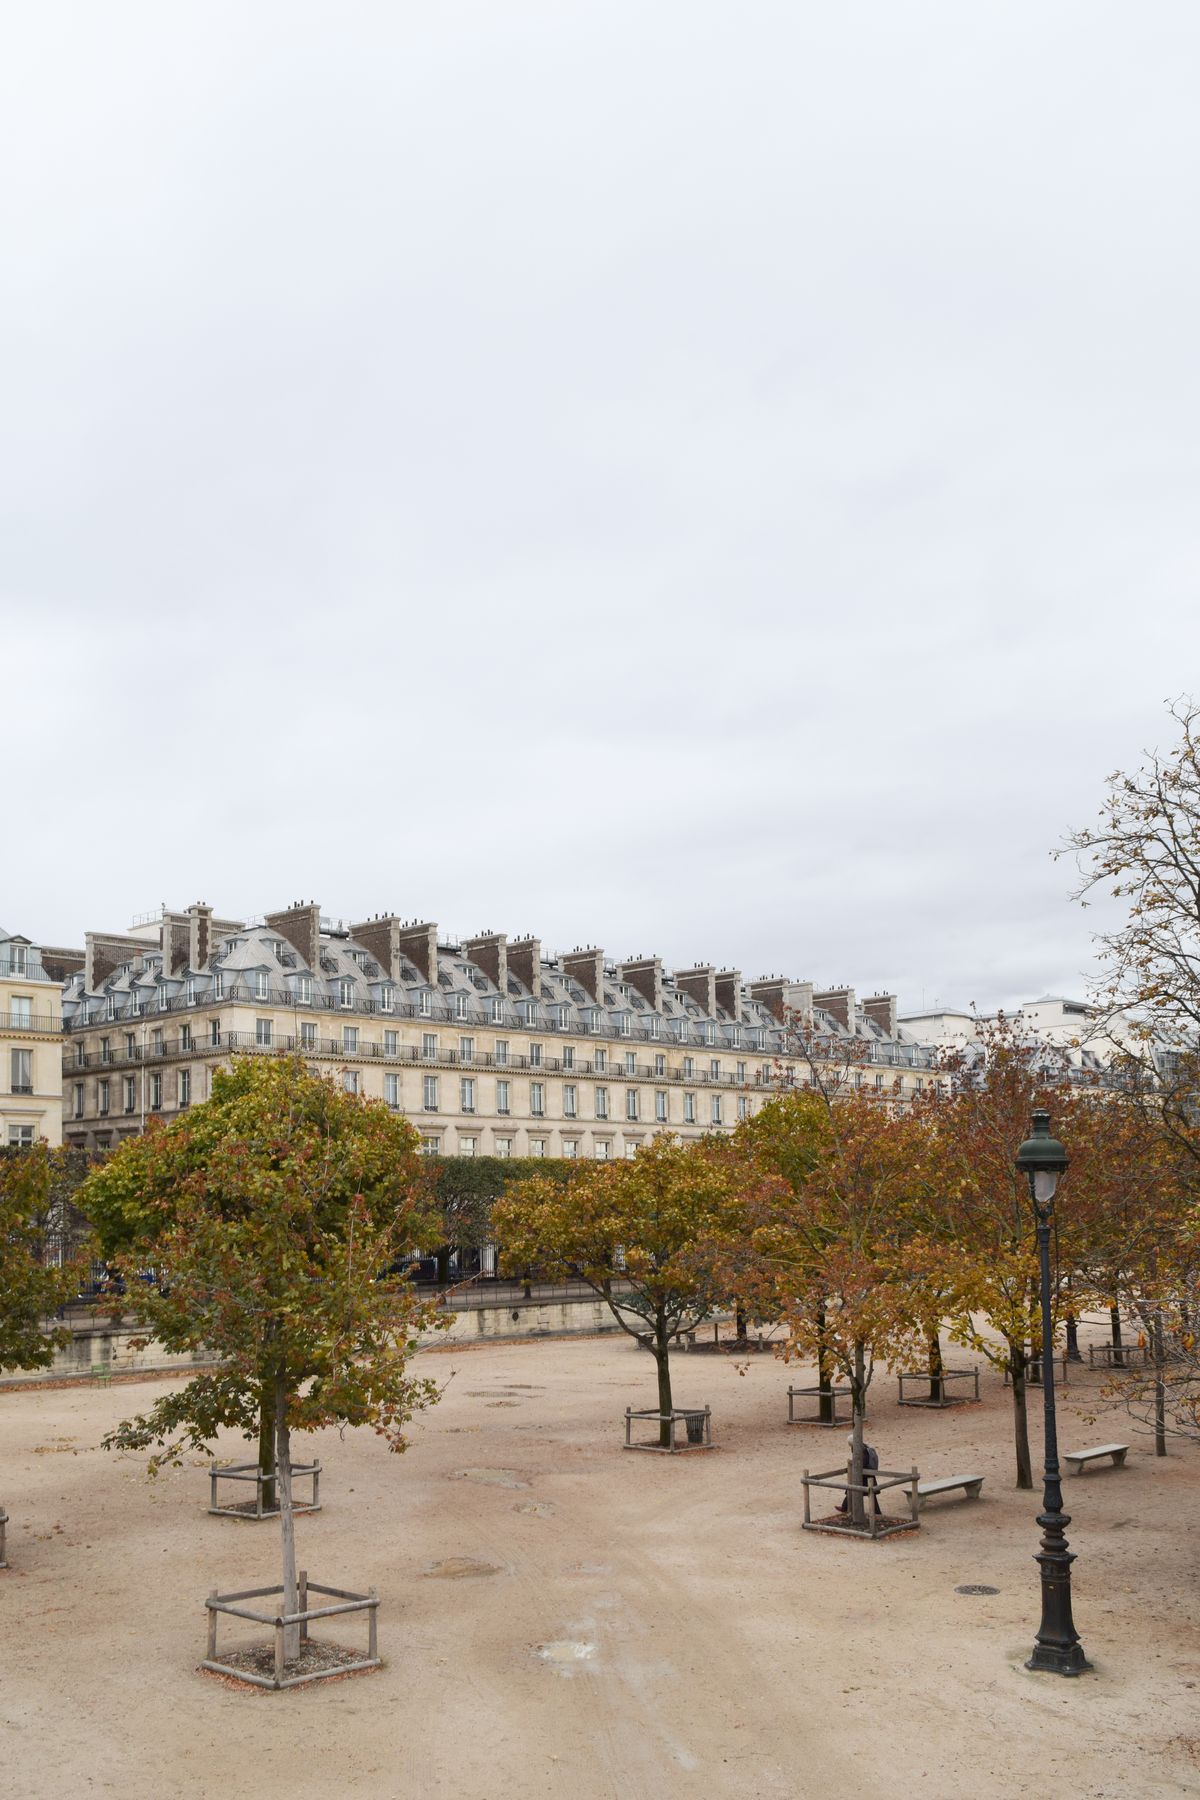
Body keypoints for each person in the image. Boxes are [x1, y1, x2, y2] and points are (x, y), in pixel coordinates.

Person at [836, 1435, 882, 1515]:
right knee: (869, 1492)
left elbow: (864, 1462)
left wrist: (856, 1467)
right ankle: (877, 1511)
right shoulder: (860, 1446)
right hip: (865, 1474)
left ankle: (845, 1507)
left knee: (853, 1489)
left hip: (864, 1474)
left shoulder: (862, 1449)